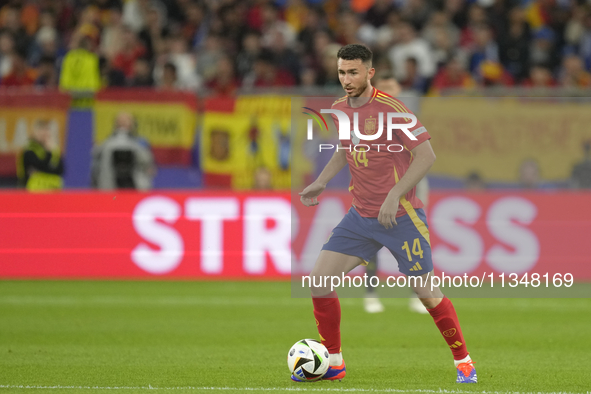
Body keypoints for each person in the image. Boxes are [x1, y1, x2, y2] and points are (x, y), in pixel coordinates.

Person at [297, 44, 476, 384]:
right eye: (341, 72)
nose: (346, 79)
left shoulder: (393, 109)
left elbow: (426, 155)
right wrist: (321, 181)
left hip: (401, 217)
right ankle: (334, 361)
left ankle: (463, 361)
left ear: (369, 72)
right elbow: (344, 150)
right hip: (360, 217)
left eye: (353, 72)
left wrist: (395, 195)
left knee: (428, 295)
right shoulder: (339, 109)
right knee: (319, 283)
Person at [363, 71, 428, 315]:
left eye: (392, 86)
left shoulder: (408, 118)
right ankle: (371, 295)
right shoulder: (365, 119)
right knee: (372, 240)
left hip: (411, 185)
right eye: (384, 87)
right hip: (376, 187)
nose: (389, 91)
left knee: (414, 240)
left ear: (399, 90)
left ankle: (417, 296)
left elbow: (423, 155)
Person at [91, 112, 155, 190]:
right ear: (115, 125)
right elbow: (96, 169)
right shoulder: (105, 145)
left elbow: (149, 169)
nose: (123, 125)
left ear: (132, 124)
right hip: (109, 189)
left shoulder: (141, 145)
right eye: (120, 122)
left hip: (136, 189)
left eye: (126, 122)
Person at [17, 120, 64, 191]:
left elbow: (60, 170)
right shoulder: (29, 149)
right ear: (34, 132)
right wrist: (48, 153)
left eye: (47, 130)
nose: (44, 133)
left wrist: (43, 171)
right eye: (41, 130)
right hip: (33, 191)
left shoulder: (54, 150)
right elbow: (41, 165)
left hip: (54, 189)